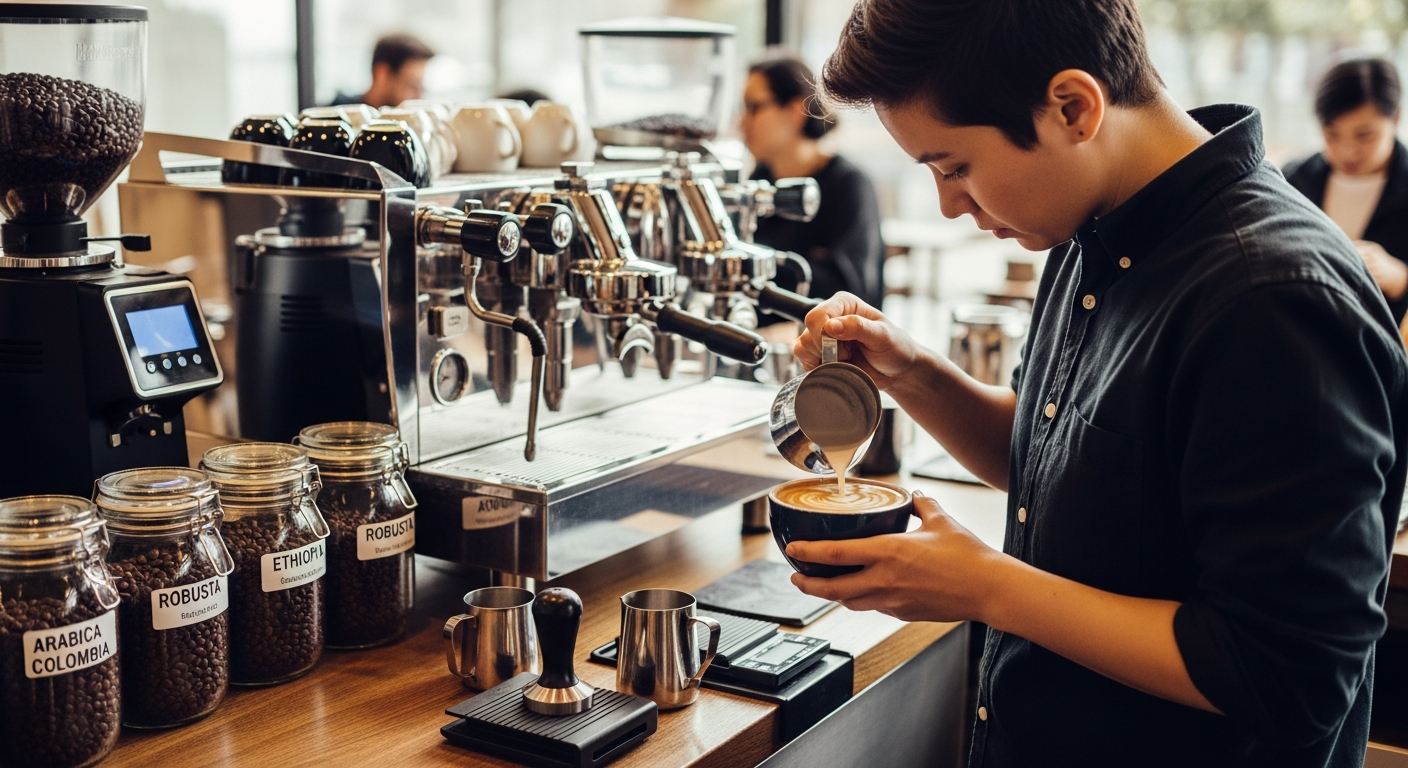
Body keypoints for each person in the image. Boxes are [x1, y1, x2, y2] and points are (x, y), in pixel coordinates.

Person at [785, 1, 1407, 766]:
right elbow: (1056, 466)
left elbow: (1290, 675)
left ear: (1074, 107)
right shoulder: (1093, 230)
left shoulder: (1271, 297)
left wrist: (989, 588)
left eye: (955, 167)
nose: (949, 204)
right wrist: (912, 372)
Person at [741, 55, 886, 309]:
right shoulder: (760, 179)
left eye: (753, 107)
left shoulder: (847, 184)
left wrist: (760, 266)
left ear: (795, 111)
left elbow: (849, 290)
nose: (742, 122)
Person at [1285, 58, 1408, 323]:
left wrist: (1400, 277)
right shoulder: (1292, 180)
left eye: (1365, 135)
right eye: (1332, 135)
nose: (1347, 151)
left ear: (1396, 117)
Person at [332, 33, 434, 109]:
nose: (418, 96)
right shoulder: (337, 121)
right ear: (382, 74)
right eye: (412, 85)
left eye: (422, 87)